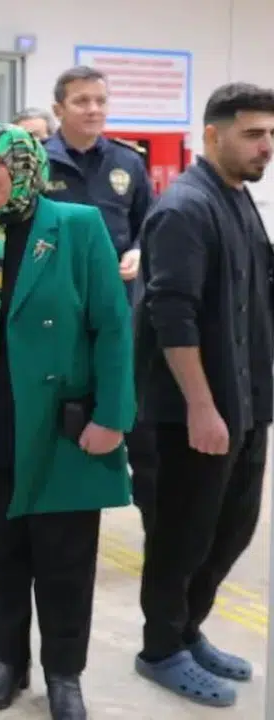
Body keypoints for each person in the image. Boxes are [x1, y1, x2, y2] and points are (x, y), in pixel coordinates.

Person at [0, 122, 134, 720]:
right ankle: (8, 659)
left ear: (26, 166)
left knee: (65, 562)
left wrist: (113, 416)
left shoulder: (76, 226)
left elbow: (112, 326)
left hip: (59, 428)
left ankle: (64, 673)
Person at [134, 82, 274, 708]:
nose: (266, 146)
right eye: (254, 134)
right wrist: (200, 406)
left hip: (244, 406)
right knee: (181, 538)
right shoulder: (185, 209)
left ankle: (187, 631)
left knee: (231, 532)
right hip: (188, 415)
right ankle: (160, 649)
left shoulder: (239, 200)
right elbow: (172, 314)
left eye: (271, 135)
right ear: (213, 135)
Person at [42, 65, 158, 535]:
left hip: (117, 315)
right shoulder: (38, 161)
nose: (93, 109)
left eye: (100, 100)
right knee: (61, 419)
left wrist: (138, 251)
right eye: (81, 101)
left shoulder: (127, 162)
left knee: (123, 412)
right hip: (56, 317)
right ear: (59, 109)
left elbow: (151, 224)